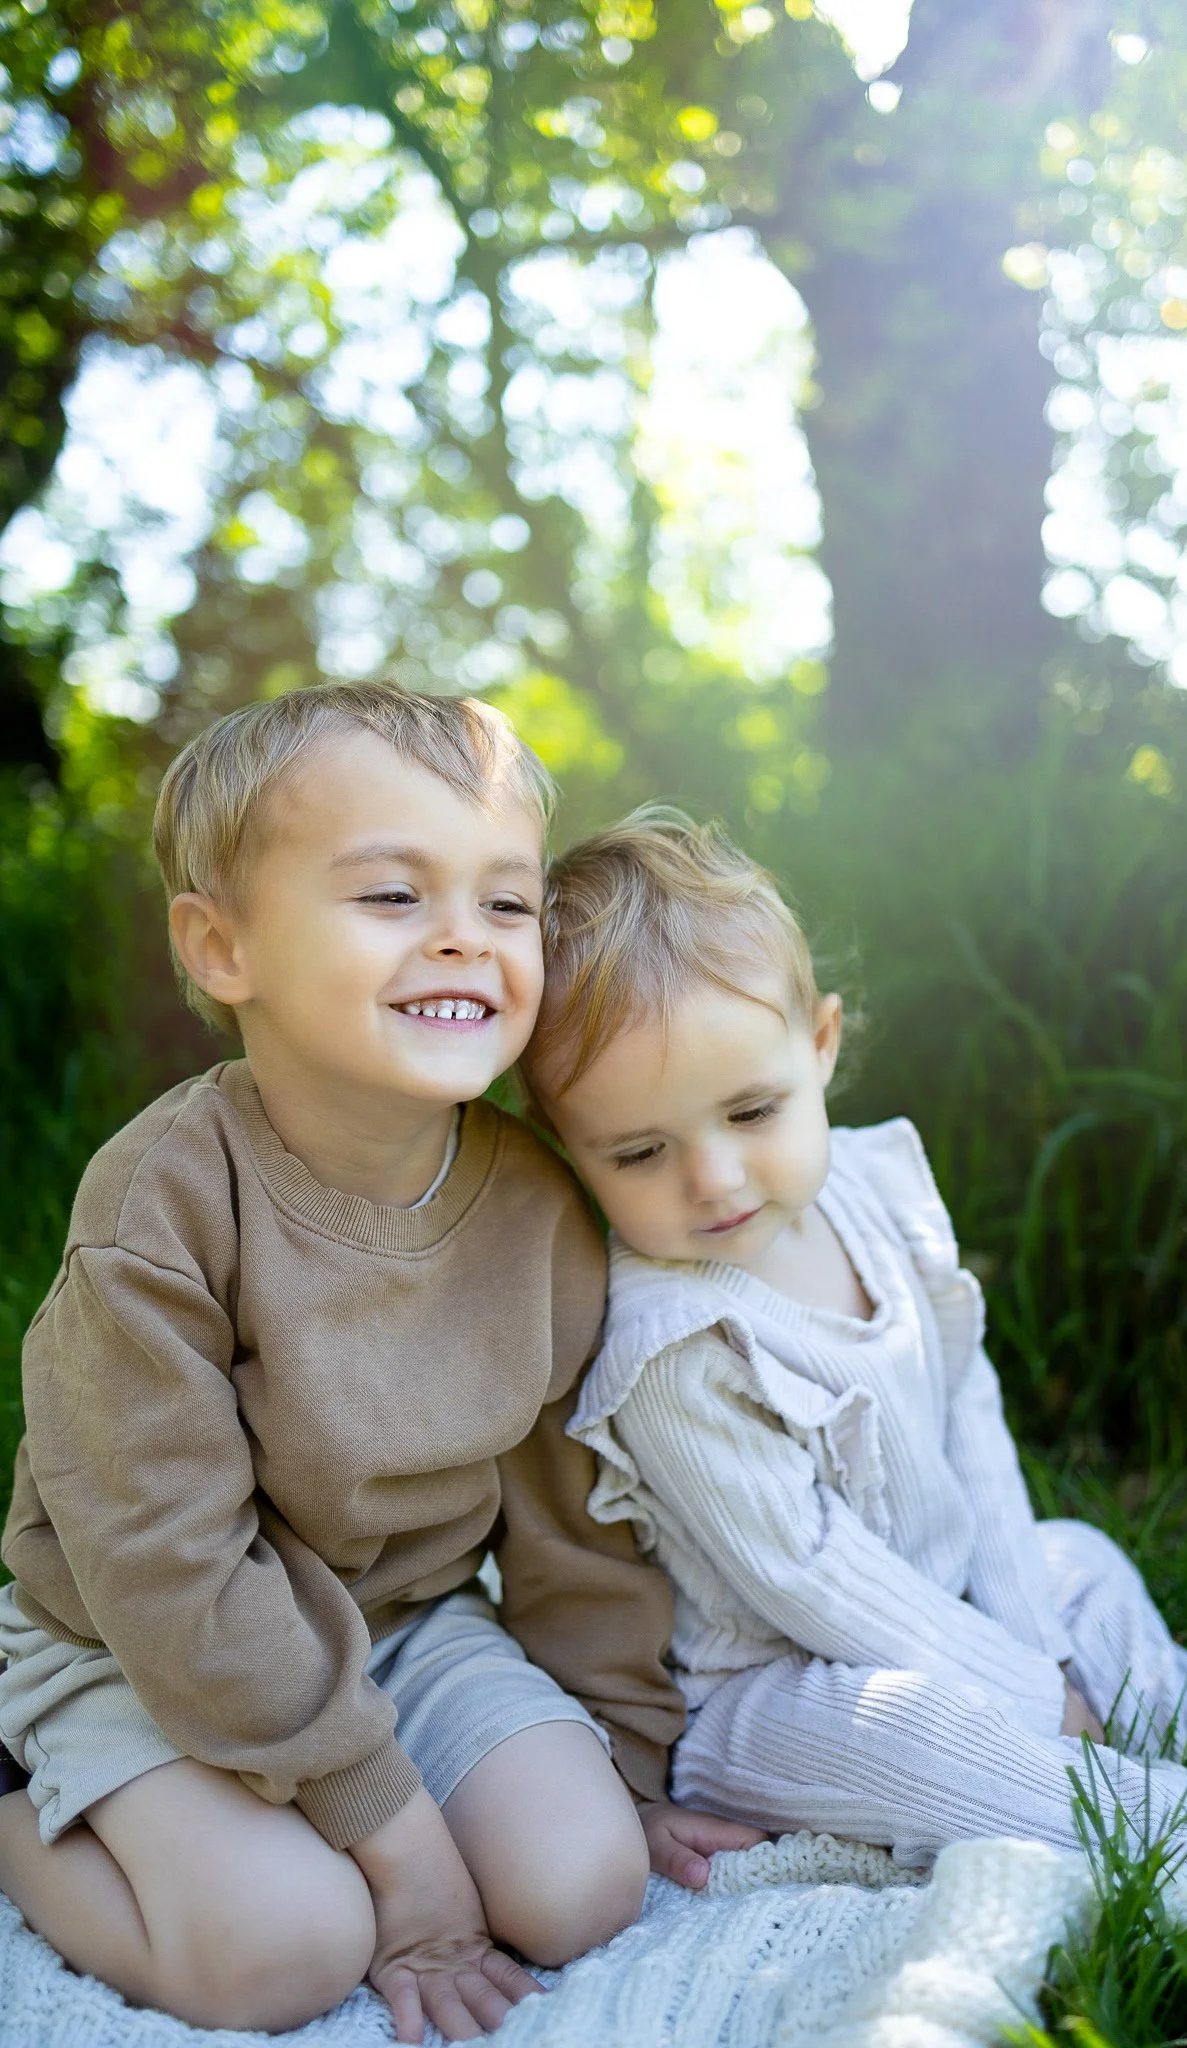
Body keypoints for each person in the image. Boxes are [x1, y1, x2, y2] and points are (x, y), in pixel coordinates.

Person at [0, 693, 758, 2044]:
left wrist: (619, 1762)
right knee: (284, 1951)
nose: (464, 936)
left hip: (403, 1620)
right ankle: (18, 1804)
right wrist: (393, 1839)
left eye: (508, 905)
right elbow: (168, 1563)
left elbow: (569, 1525)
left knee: (579, 1886)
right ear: (222, 945)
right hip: (141, 1641)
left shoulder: (532, 1210)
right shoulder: (165, 1206)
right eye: (395, 893)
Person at [521, 807, 1187, 1893]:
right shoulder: (675, 1339)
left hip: (952, 1607)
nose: (716, 1178)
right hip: (779, 1692)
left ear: (819, 1048)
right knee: (933, 1732)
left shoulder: (877, 1193)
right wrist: (1021, 1689)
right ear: (569, 1151)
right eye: (640, 1151)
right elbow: (806, 1572)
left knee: (1080, 1563)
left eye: (752, 1109)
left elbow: (969, 1401)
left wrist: (1035, 1644)